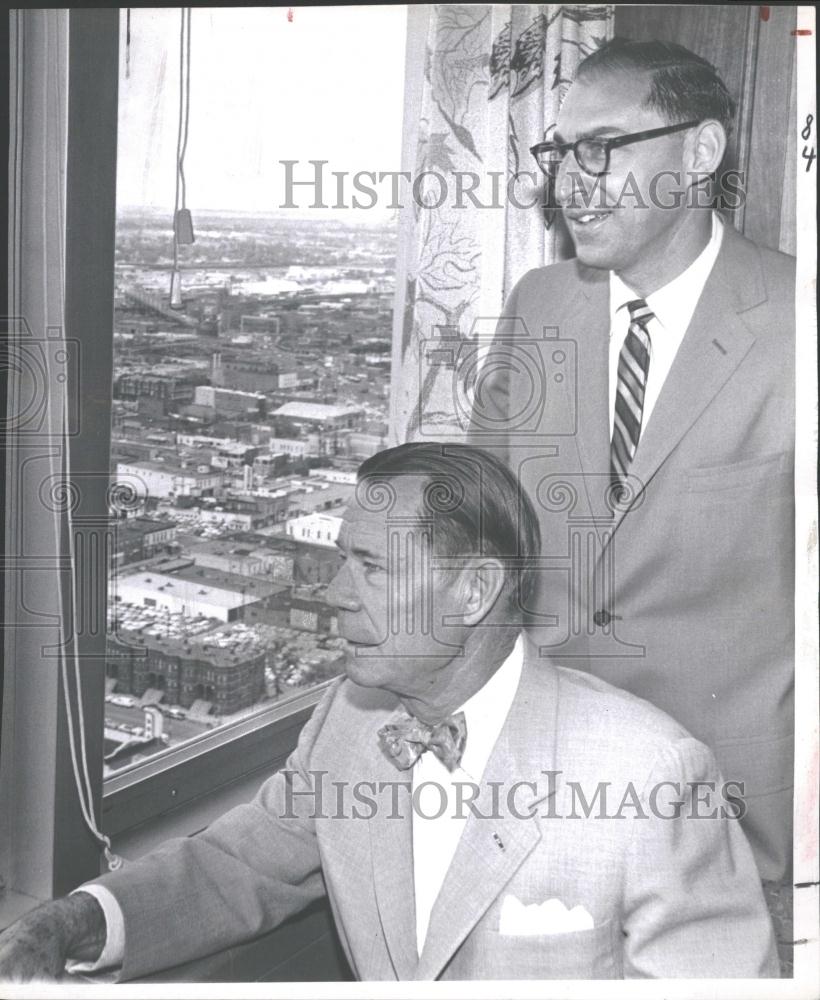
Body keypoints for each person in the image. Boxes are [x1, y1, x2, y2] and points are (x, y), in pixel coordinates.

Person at [0, 443, 778, 982]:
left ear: (474, 591)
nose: (334, 592)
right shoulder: (349, 720)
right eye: (342, 559)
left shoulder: (651, 776)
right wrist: (72, 922)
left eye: (370, 566)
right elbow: (239, 863)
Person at [467, 39, 794, 885]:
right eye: (560, 152)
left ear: (700, 152)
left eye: (601, 148)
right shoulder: (537, 306)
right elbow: (477, 536)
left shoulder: (804, 324)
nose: (570, 180)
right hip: (538, 805)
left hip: (739, 827)